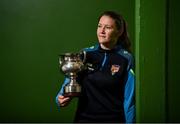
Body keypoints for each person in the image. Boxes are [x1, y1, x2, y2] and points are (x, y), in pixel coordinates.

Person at [56, 11, 135, 123]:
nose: (101, 31)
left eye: (107, 27)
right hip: (84, 120)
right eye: (99, 26)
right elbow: (69, 82)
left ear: (119, 31)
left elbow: (129, 100)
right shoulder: (85, 54)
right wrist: (60, 98)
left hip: (114, 120)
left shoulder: (126, 59)